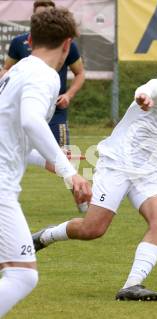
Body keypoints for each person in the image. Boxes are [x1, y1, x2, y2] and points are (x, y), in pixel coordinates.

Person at [32, 48, 157, 301]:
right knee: (93, 229)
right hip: (117, 163)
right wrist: (143, 97)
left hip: (147, 170)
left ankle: (133, 285)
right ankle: (46, 236)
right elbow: (151, 88)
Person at [0, 8, 91, 317]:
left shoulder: (19, 69)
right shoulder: (45, 76)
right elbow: (30, 122)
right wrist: (70, 174)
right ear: (67, 45)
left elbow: (14, 138)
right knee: (23, 275)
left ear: (29, 39)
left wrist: (47, 161)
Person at [0, 0, 85, 148]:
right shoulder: (22, 48)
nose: (46, 21)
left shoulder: (52, 69)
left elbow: (80, 73)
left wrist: (68, 95)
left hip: (56, 108)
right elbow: (6, 70)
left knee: (61, 153)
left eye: (50, 16)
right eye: (41, 16)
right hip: (22, 108)